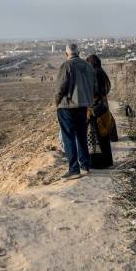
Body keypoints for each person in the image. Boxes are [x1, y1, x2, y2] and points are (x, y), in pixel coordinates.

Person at [55, 43, 97, 178]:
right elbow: (94, 87)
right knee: (81, 135)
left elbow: (60, 87)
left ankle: (74, 169)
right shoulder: (88, 66)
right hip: (83, 106)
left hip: (67, 106)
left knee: (69, 137)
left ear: (66, 54)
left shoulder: (67, 65)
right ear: (79, 53)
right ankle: (85, 165)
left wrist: (57, 102)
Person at [86, 54, 114, 169]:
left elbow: (95, 91)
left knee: (97, 135)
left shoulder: (95, 73)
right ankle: (106, 161)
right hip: (103, 106)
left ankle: (98, 163)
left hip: (96, 108)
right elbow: (107, 88)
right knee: (104, 135)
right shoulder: (101, 72)